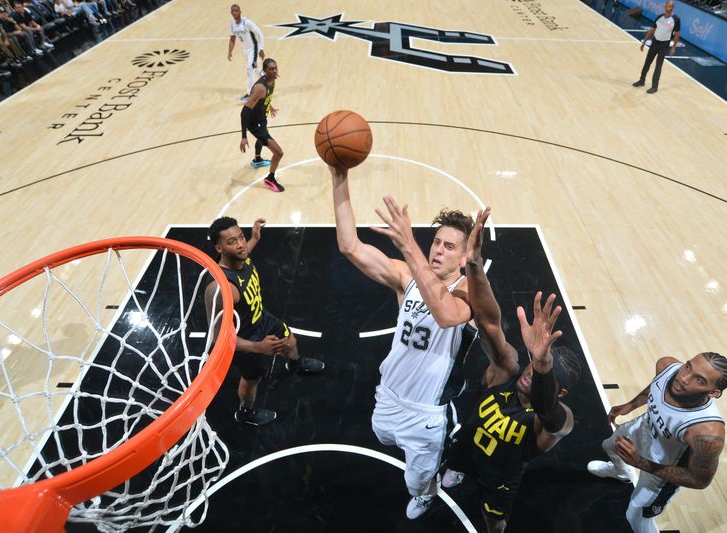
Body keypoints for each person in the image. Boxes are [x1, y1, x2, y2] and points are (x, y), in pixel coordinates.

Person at [330, 165, 476, 519]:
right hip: (390, 395)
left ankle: (429, 491)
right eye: (436, 242)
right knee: (382, 435)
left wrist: (409, 246)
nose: (439, 250)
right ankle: (438, 461)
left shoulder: (469, 291)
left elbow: (447, 314)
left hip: (427, 414)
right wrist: (339, 177)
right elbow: (350, 246)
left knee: (417, 480)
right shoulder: (407, 276)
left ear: (466, 256)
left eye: (449, 246)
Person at [440, 208, 580, 533]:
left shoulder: (555, 421)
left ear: (559, 391)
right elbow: (490, 327)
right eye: (536, 363)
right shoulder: (507, 372)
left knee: (494, 518)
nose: (532, 370)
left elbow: (550, 413)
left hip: (500, 477)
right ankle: (457, 469)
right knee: (457, 459)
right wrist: (473, 266)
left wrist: (543, 363)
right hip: (468, 445)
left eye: (545, 371)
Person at [587, 352, 727, 533]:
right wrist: (630, 405)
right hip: (642, 429)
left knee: (635, 515)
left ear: (713, 392)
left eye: (699, 380)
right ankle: (621, 474)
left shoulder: (707, 432)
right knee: (608, 447)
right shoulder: (667, 366)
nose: (683, 378)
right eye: (688, 366)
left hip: (663, 468)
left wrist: (639, 462)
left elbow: (699, 480)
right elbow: (656, 386)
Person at [204, 216, 324, 427]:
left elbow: (245, 250)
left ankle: (295, 364)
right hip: (246, 339)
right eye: (232, 241)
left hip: (262, 318)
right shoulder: (220, 289)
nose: (241, 244)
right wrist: (257, 347)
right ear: (219, 248)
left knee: (290, 340)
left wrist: (255, 237)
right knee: (252, 380)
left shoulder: (240, 256)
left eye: (241, 237)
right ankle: (246, 412)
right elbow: (217, 338)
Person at [239, 57, 284, 192]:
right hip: (254, 124)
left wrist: (269, 107)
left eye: (275, 68)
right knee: (278, 152)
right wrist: (244, 136)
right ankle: (270, 178)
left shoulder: (273, 80)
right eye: (271, 69)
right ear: (264, 71)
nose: (274, 71)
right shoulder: (260, 88)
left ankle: (257, 160)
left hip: (261, 119)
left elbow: (265, 99)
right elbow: (244, 112)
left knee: (262, 139)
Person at [632, 0, 680, 94]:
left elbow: (677, 34)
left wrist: (674, 47)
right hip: (654, 43)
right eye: (667, 6)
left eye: (670, 6)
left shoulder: (676, 19)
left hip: (664, 45)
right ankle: (642, 81)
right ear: (664, 6)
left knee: (658, 66)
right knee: (647, 63)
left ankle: (654, 86)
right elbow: (652, 30)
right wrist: (644, 41)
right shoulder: (659, 17)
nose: (668, 8)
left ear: (673, 7)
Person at [227, 3, 265, 102]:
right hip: (246, 51)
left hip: (254, 48)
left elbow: (260, 34)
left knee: (249, 69)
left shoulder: (247, 23)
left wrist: (261, 49)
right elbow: (232, 40)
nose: (235, 12)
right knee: (255, 68)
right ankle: (267, 83)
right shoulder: (232, 25)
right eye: (233, 11)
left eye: (236, 10)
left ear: (240, 12)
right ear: (231, 13)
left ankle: (250, 94)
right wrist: (230, 52)